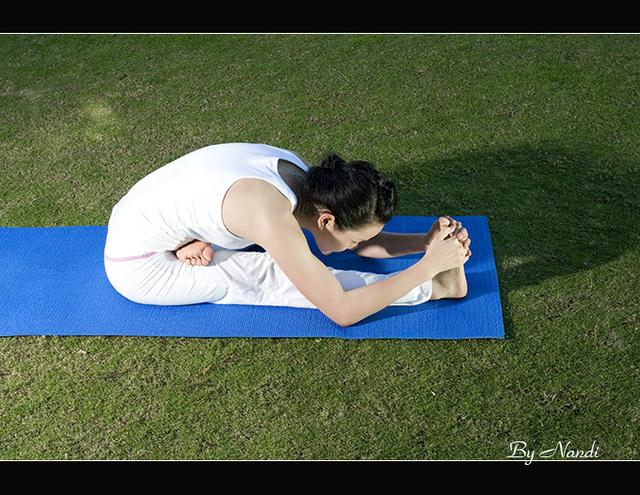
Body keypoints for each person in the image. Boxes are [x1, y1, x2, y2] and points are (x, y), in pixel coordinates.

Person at [103, 143, 472, 327]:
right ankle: (439, 288)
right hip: (138, 265)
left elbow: (356, 243)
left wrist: (422, 245)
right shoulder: (268, 216)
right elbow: (341, 310)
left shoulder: (304, 177)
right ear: (326, 220)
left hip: (140, 220)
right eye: (355, 239)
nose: (357, 246)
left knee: (291, 255)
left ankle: (191, 237)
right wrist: (427, 269)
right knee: (272, 278)